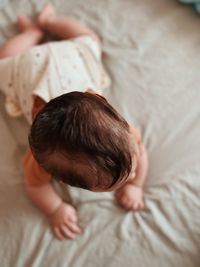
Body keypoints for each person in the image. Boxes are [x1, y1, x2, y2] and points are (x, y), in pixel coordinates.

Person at [0, 4, 149, 240]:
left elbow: (138, 152)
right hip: (29, 66)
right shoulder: (40, 157)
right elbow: (35, 186)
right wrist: (55, 208)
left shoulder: (125, 133)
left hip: (69, 57)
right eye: (128, 176)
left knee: (89, 40)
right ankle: (38, 30)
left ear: (98, 97)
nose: (131, 174)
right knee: (5, 60)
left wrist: (135, 185)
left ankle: (39, 29)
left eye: (130, 170)